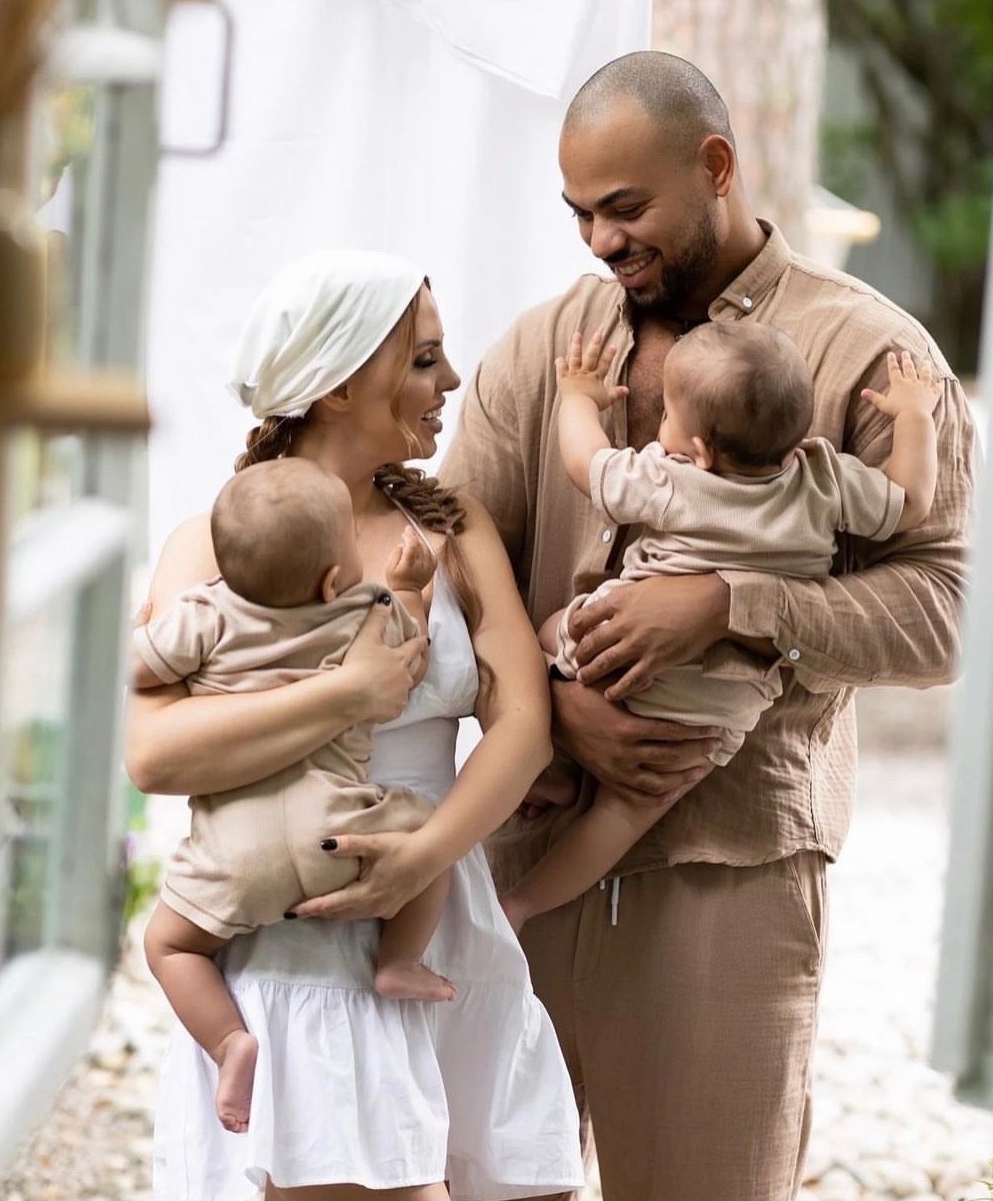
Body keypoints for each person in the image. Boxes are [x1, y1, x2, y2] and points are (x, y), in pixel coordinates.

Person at [440, 50, 975, 1201]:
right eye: (579, 212)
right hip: (519, 854)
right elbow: (447, 562)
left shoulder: (873, 358)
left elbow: (947, 615)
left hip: (733, 873)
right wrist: (539, 704)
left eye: (625, 208)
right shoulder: (546, 350)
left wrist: (735, 604)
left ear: (717, 167)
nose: (597, 239)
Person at [125, 249, 584, 1201]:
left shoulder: (453, 527)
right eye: (423, 360)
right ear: (336, 386)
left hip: (437, 906)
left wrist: (424, 860)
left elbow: (523, 727)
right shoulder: (214, 542)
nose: (449, 382)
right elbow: (155, 754)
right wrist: (348, 694)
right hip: (304, 935)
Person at [499, 324, 942, 934]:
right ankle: (520, 906)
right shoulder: (823, 481)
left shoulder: (675, 479)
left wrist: (577, 396)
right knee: (626, 812)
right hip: (719, 711)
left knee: (551, 632)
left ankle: (547, 765)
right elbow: (911, 500)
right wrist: (916, 416)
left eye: (668, 416)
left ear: (700, 449)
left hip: (614, 651)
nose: (662, 428)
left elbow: (585, 462)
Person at [134, 456, 459, 1137]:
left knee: (168, 944)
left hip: (233, 853)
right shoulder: (359, 612)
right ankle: (398, 960)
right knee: (432, 837)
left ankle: (230, 1042)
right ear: (334, 576)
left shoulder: (205, 612)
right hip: (339, 834)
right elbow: (411, 655)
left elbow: (140, 667)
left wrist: (140, 634)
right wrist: (404, 584)